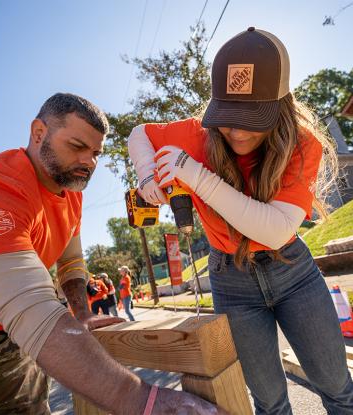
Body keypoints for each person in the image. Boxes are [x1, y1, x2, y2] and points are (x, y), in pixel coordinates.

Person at [0, 93, 224, 415]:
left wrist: (82, 312)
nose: (89, 162)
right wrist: (147, 403)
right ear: (38, 133)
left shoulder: (69, 190)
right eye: (77, 147)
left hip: (7, 334)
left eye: (96, 153)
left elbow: (71, 260)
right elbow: (35, 315)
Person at [128, 28, 353, 414]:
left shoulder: (303, 144)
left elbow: (275, 229)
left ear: (280, 107)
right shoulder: (198, 135)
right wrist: (148, 173)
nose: (234, 131)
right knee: (268, 401)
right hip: (229, 278)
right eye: (227, 116)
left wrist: (197, 176)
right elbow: (138, 134)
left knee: (337, 388)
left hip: (292, 271)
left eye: (250, 118)